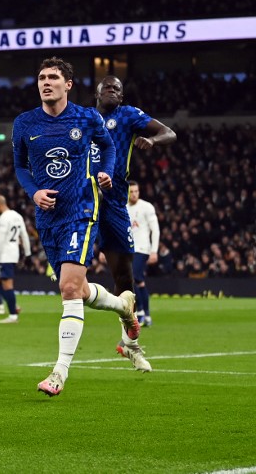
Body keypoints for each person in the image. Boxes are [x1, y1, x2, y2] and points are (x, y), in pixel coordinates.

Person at [12, 57, 138, 397]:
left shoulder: (86, 117)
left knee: (68, 288)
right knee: (78, 289)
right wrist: (33, 192)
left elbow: (109, 146)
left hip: (82, 209)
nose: (46, 82)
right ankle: (122, 306)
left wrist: (107, 171)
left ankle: (59, 373)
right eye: (41, 77)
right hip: (47, 217)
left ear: (68, 84)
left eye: (53, 77)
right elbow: (20, 167)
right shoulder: (24, 123)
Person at [93, 75, 174, 373]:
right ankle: (61, 365)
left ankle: (129, 344)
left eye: (118, 89)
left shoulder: (127, 115)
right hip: (84, 200)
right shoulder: (82, 118)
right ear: (97, 93)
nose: (113, 91)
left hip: (114, 203)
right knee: (69, 278)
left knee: (124, 280)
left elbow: (169, 132)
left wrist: (152, 140)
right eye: (108, 87)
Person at [0, 195, 31, 324]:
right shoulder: (17, 216)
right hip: (14, 253)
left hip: (5, 255)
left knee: (7, 285)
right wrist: (28, 254)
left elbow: (0, 239)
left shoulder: (3, 218)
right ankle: (14, 306)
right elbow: (24, 235)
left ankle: (13, 315)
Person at [127, 181, 161, 328]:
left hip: (142, 248)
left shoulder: (147, 207)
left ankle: (140, 312)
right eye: (131, 192)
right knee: (138, 281)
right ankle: (146, 315)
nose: (134, 194)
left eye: (136, 191)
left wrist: (154, 250)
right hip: (128, 249)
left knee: (134, 277)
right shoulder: (124, 208)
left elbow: (156, 229)